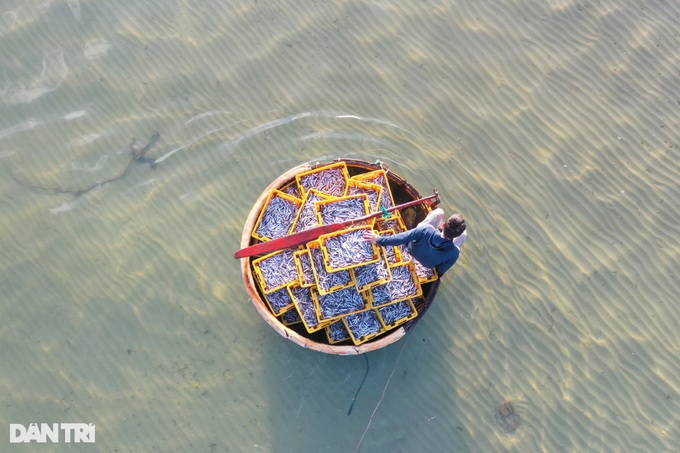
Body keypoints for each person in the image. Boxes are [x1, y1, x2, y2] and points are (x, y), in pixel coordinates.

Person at [363, 208, 467, 277]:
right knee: (464, 234)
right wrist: (439, 275)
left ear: (443, 225)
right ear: (456, 236)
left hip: (411, 250)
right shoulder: (454, 253)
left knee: (439, 212)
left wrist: (379, 239)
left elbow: (400, 238)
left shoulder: (426, 230)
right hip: (428, 264)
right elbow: (442, 269)